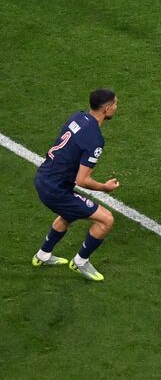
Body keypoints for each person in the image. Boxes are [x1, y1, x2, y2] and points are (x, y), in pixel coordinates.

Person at [31, 88, 120, 282]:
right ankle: (80, 262)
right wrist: (105, 187)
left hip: (45, 176)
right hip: (55, 189)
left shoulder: (77, 117)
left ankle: (43, 255)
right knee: (106, 220)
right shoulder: (95, 139)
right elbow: (82, 180)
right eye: (114, 104)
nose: (116, 107)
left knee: (69, 213)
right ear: (106, 109)